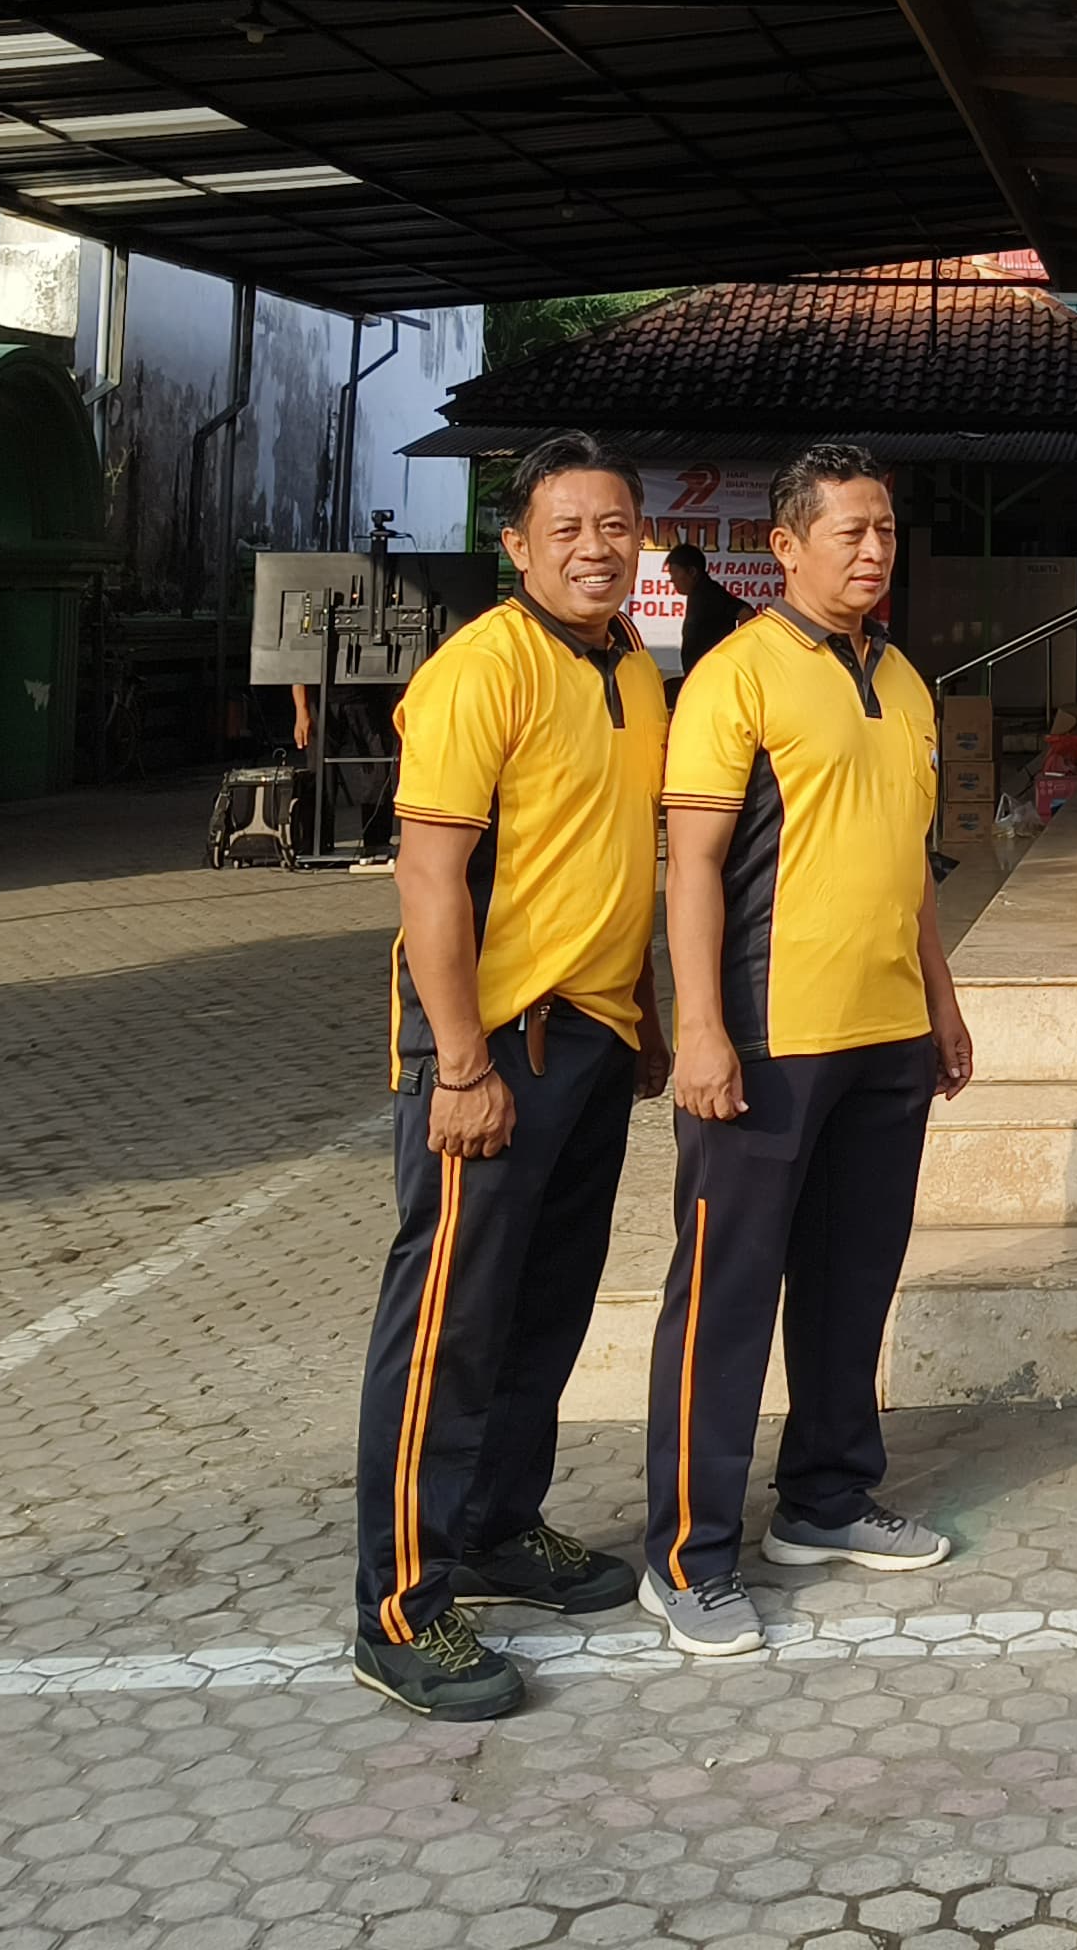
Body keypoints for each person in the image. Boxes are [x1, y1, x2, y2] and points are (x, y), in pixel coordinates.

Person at [350, 432, 669, 1719]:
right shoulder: (480, 669)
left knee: (545, 1302)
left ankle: (493, 1527)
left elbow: (614, 854)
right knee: (447, 1325)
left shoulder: (632, 663)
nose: (597, 548)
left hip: (590, 1035)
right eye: (568, 528)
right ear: (518, 545)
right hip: (490, 1047)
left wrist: (644, 1014)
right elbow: (430, 876)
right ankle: (398, 1605)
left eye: (616, 525)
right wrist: (458, 1062)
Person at [640, 444, 976, 1658]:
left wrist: (941, 1002)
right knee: (725, 1295)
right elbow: (690, 864)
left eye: (885, 529)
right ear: (785, 547)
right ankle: (688, 1555)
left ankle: (827, 1496)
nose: (875, 550)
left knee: (851, 1281)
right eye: (850, 532)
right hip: (768, 1035)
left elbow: (911, 866)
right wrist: (700, 1027)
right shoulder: (734, 677)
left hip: (885, 1034)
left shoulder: (906, 679)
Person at [667, 540, 751, 672]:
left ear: (692, 572)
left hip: (714, 674)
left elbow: (746, 613)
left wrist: (735, 652)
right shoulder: (697, 592)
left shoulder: (710, 593)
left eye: (675, 572)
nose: (672, 579)